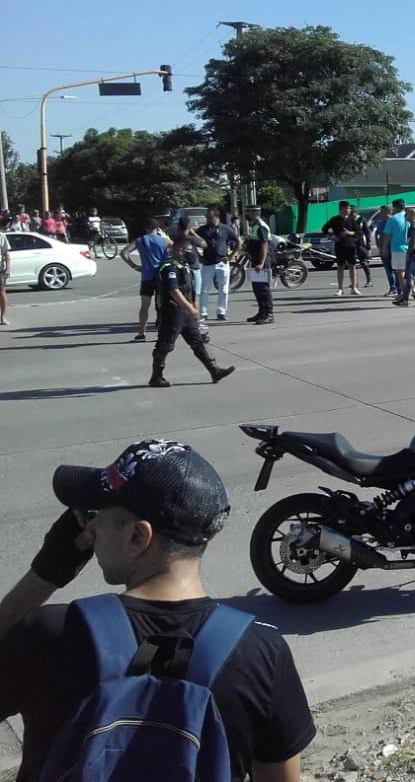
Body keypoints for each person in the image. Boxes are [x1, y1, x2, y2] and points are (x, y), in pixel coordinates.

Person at [0, 440, 316, 781]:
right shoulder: (262, 656)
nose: (88, 528)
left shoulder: (50, 635)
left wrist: (46, 572)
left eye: (96, 515)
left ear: (138, 536)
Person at [149, 238, 235, 387]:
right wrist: (190, 308)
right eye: (190, 251)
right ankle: (156, 377)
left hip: (186, 312)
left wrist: (193, 307)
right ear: (180, 250)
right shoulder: (169, 266)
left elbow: (189, 289)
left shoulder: (183, 265)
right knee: (165, 345)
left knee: (198, 342)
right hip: (173, 312)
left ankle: (214, 371)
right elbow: (173, 290)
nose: (192, 254)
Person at [123, 219, 171, 342]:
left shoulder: (140, 240)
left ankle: (141, 334)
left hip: (147, 276)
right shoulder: (164, 241)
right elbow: (175, 251)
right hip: (161, 276)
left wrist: (134, 265)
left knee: (144, 306)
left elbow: (124, 252)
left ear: (146, 228)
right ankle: (162, 333)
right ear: (158, 228)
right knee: (163, 306)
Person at [196, 205, 238, 321]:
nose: (208, 220)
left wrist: (231, 256)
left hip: (222, 263)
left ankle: (221, 312)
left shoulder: (226, 229)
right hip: (207, 263)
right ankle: (203, 313)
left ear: (216, 217)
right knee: (204, 289)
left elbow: (238, 240)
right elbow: (193, 241)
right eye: (207, 218)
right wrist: (199, 256)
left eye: (210, 217)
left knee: (223, 289)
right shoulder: (203, 230)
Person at [322, 200, 362, 297]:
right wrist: (332, 237)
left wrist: (349, 233)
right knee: (340, 267)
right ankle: (340, 288)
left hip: (351, 246)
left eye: (348, 209)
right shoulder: (335, 219)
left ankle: (354, 288)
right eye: (345, 209)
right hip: (340, 245)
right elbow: (324, 229)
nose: (347, 211)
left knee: (352, 266)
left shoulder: (353, 219)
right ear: (340, 210)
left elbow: (358, 233)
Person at [243, 205, 275, 325]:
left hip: (262, 261)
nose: (247, 215)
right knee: (257, 288)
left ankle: (269, 314)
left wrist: (261, 263)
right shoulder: (254, 225)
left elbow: (264, 244)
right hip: (256, 260)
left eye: (249, 213)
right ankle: (261, 312)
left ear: (255, 213)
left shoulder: (261, 226)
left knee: (263, 288)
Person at [381, 198, 409, 301]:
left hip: (397, 248)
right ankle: (414, 290)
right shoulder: (410, 217)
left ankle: (404, 293)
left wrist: (384, 248)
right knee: (410, 272)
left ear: (396, 207)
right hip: (410, 248)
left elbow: (387, 235)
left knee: (400, 272)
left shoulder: (393, 219)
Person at [369, 205, 398, 297]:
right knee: (388, 270)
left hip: (393, 249)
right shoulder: (381, 222)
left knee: (395, 269)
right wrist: (378, 245)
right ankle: (393, 288)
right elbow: (377, 233)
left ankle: (397, 288)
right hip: (383, 249)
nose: (380, 213)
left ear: (387, 212)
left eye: (382, 212)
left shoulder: (393, 221)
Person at [352, 205, 373, 288]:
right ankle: (354, 281)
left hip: (360, 243)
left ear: (355, 212)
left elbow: (367, 232)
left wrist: (368, 243)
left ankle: (369, 280)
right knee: (352, 263)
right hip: (351, 243)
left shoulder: (361, 220)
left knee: (363, 262)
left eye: (352, 212)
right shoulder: (349, 220)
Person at [0, 226, 9, 326]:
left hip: (0, 269)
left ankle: (3, 317)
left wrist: (8, 268)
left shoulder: (2, 236)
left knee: (2, 292)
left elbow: (6, 254)